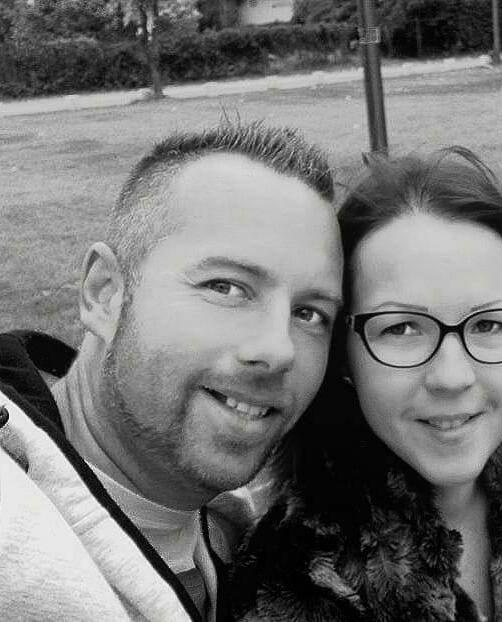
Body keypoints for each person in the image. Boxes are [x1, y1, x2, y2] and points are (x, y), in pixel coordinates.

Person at [231, 147, 502, 621]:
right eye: (401, 329)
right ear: (343, 356)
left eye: (488, 324)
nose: (452, 377)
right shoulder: (294, 577)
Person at [0, 120, 343, 621]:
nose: (278, 349)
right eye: (226, 287)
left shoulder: (249, 545)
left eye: (310, 313)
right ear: (104, 293)